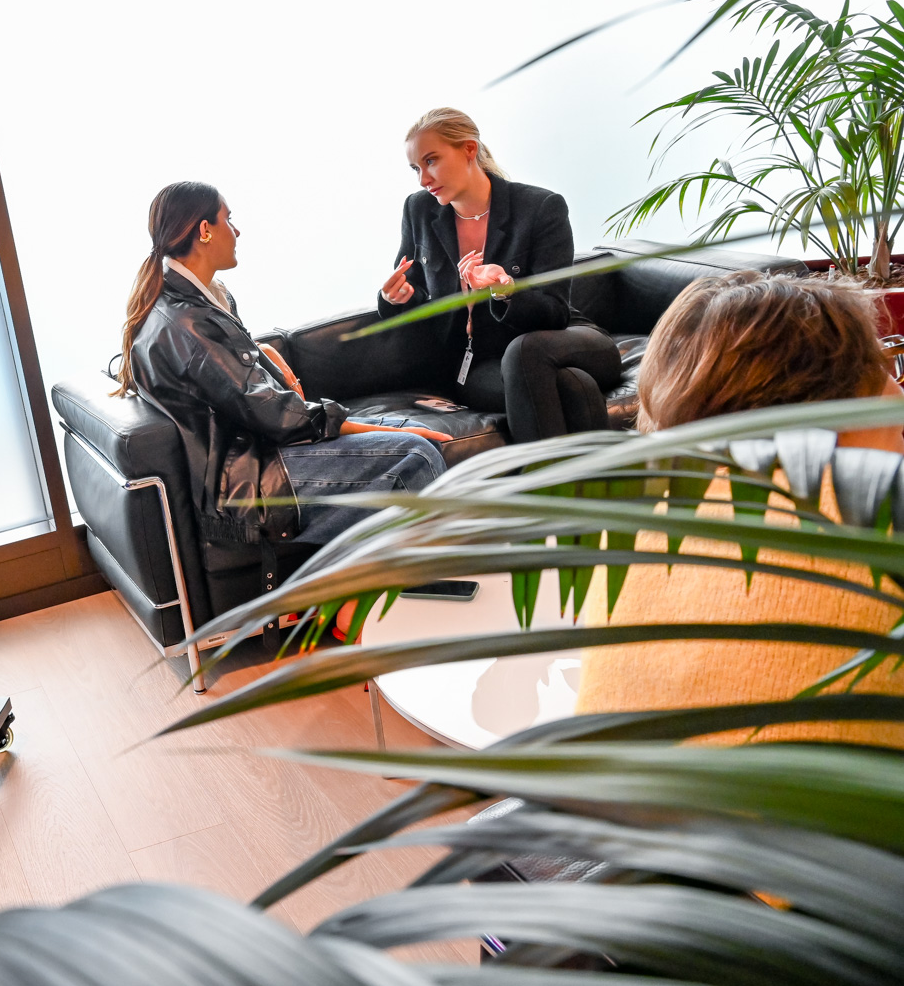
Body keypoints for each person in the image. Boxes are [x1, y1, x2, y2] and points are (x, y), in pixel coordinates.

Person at [575, 271, 904, 747]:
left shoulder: (631, 529)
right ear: (833, 402)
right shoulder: (877, 523)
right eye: (883, 364)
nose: (897, 390)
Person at [116, 180, 448, 553]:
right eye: (229, 219)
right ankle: (429, 576)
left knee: (407, 434)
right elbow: (276, 415)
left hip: (253, 454)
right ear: (205, 230)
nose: (237, 231)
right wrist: (365, 427)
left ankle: (378, 575)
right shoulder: (189, 322)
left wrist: (266, 352)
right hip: (248, 483)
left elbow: (230, 376)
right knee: (416, 454)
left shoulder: (189, 300)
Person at [379, 107, 623, 442]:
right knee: (569, 386)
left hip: (565, 340)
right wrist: (395, 297)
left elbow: (555, 312)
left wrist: (505, 290)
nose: (424, 179)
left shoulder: (540, 208)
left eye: (431, 161)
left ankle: (539, 476)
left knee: (525, 351)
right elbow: (415, 291)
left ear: (469, 149)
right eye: (416, 168)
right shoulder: (418, 209)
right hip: (481, 363)